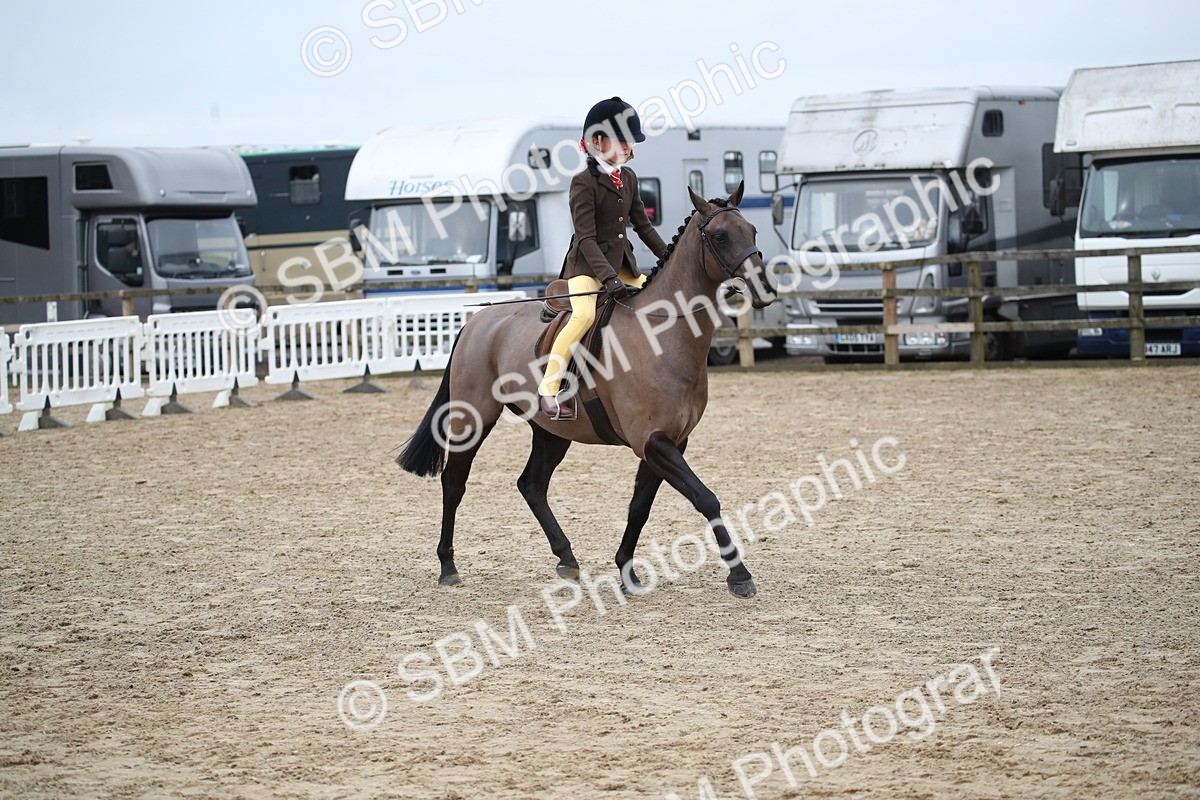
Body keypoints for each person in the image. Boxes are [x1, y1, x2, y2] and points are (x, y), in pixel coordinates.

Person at [537, 97, 668, 420]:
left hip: (623, 267)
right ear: (597, 142)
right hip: (587, 267)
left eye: (630, 142)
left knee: (660, 303)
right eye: (622, 141)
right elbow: (586, 238)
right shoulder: (583, 182)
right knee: (582, 317)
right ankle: (549, 388)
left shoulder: (630, 178)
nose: (628, 148)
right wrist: (608, 278)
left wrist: (668, 256)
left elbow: (643, 226)